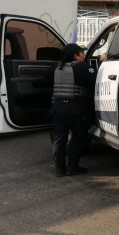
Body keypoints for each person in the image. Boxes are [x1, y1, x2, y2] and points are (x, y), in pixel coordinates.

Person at [50, 43, 99, 176]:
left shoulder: (57, 68)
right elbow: (96, 78)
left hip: (58, 108)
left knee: (59, 140)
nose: (83, 55)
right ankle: (73, 167)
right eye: (81, 53)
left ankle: (59, 169)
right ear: (76, 55)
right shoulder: (81, 67)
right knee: (79, 137)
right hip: (75, 109)